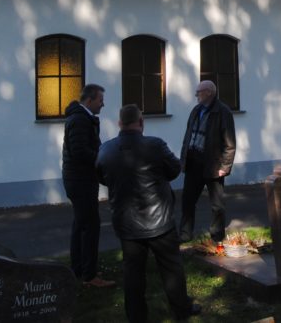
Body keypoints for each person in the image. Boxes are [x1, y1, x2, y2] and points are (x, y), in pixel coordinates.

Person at [97, 104, 200, 322]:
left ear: (119, 123)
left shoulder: (106, 149)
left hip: (127, 222)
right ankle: (181, 309)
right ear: (141, 122)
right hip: (160, 220)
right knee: (171, 268)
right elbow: (174, 170)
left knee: (133, 273)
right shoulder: (155, 145)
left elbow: (102, 175)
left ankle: (136, 317)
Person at [61, 83, 115, 288]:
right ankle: (90, 276)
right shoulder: (80, 120)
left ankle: (79, 269)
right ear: (90, 100)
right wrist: (102, 158)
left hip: (78, 179)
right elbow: (80, 152)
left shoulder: (81, 118)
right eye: (100, 100)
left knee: (80, 225)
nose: (103, 104)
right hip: (80, 181)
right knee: (90, 226)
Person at [179, 79, 236, 245]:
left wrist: (225, 166)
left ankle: (217, 235)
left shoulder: (223, 112)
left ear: (209, 93)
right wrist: (184, 159)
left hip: (213, 164)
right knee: (187, 201)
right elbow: (188, 136)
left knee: (217, 204)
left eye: (199, 92)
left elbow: (230, 142)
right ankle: (185, 234)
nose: (196, 95)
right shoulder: (196, 110)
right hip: (193, 162)